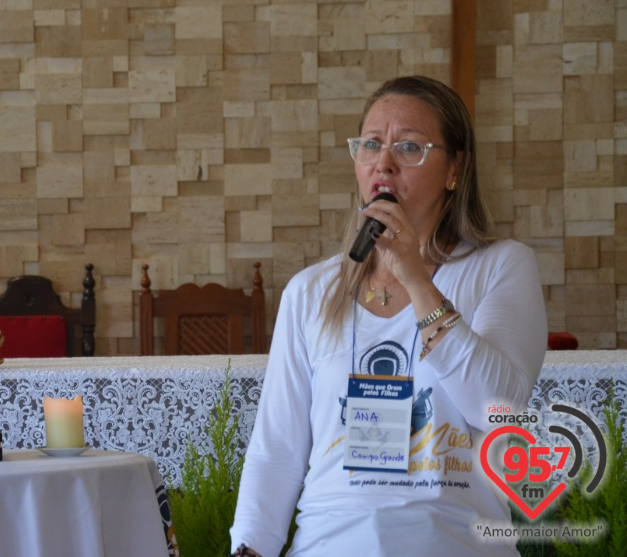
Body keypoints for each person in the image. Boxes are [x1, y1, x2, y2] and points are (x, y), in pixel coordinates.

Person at [230, 76, 547, 557]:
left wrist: (417, 280)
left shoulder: (500, 266)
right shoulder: (310, 292)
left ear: (454, 169)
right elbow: (276, 451)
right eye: (371, 145)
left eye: (408, 147)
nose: (384, 162)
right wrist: (248, 550)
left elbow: (496, 406)